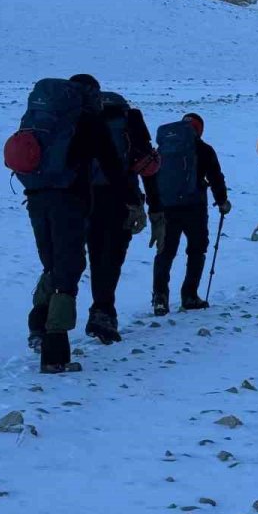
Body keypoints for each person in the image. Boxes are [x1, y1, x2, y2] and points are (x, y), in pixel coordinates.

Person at [5, 73, 134, 374]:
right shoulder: (87, 120)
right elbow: (112, 165)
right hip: (70, 200)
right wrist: (130, 199)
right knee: (69, 268)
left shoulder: (46, 117)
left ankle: (38, 325)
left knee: (51, 262)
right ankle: (55, 355)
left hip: (36, 195)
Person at [84, 90, 160, 344]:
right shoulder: (129, 124)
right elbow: (146, 166)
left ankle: (97, 311)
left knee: (95, 254)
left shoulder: (84, 121)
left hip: (83, 196)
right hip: (121, 196)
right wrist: (147, 205)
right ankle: (103, 311)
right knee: (113, 256)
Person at [149, 113, 231, 314]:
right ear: (199, 130)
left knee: (165, 252)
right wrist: (222, 200)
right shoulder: (204, 149)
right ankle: (190, 295)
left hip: (167, 207)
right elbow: (215, 176)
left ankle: (160, 297)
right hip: (194, 207)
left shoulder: (164, 149)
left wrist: (154, 205)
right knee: (196, 250)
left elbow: (153, 175)